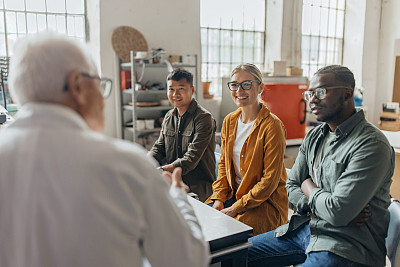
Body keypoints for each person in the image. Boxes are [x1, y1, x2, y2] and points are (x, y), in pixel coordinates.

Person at [0, 33, 209, 267]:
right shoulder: (124, 164)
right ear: (76, 84)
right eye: (98, 83)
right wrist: (178, 197)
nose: (101, 96)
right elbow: (186, 260)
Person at [248, 65, 395, 267]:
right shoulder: (316, 136)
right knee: (235, 254)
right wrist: (319, 209)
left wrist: (309, 187)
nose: (312, 100)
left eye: (321, 92)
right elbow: (291, 186)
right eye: (309, 93)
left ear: (347, 94)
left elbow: (337, 211)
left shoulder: (371, 144)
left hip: (347, 245)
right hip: (307, 228)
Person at [205, 63, 288, 236]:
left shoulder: (272, 126)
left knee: (228, 235)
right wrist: (219, 198)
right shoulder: (230, 121)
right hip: (232, 196)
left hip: (264, 204)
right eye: (234, 85)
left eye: (247, 84)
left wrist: (235, 208)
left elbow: (269, 181)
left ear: (260, 88)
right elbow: (223, 164)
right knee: (201, 221)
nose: (239, 90)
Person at [149, 68, 216, 202]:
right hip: (173, 180)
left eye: (181, 88)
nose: (175, 94)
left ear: (192, 89)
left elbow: (191, 158)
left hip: (198, 185)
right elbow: (159, 148)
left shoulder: (204, 118)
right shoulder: (168, 117)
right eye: (171, 89)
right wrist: (146, 162)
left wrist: (163, 169)